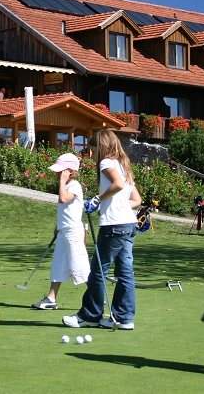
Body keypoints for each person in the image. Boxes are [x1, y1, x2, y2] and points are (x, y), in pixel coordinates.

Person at [63, 130, 141, 330]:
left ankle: (90, 315)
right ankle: (124, 318)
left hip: (114, 226)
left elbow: (117, 185)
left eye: (94, 149)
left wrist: (97, 199)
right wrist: (104, 206)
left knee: (97, 272)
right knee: (125, 273)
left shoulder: (106, 163)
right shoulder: (123, 165)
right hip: (128, 224)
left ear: (102, 147)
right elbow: (135, 200)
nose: (93, 154)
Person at [32, 153, 89, 310]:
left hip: (73, 232)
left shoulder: (74, 186)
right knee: (57, 265)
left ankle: (96, 296)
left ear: (69, 171)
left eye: (60, 171)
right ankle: (51, 299)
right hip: (64, 231)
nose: (57, 173)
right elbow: (63, 209)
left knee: (80, 266)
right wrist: (58, 226)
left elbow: (64, 199)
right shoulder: (65, 185)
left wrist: (63, 182)